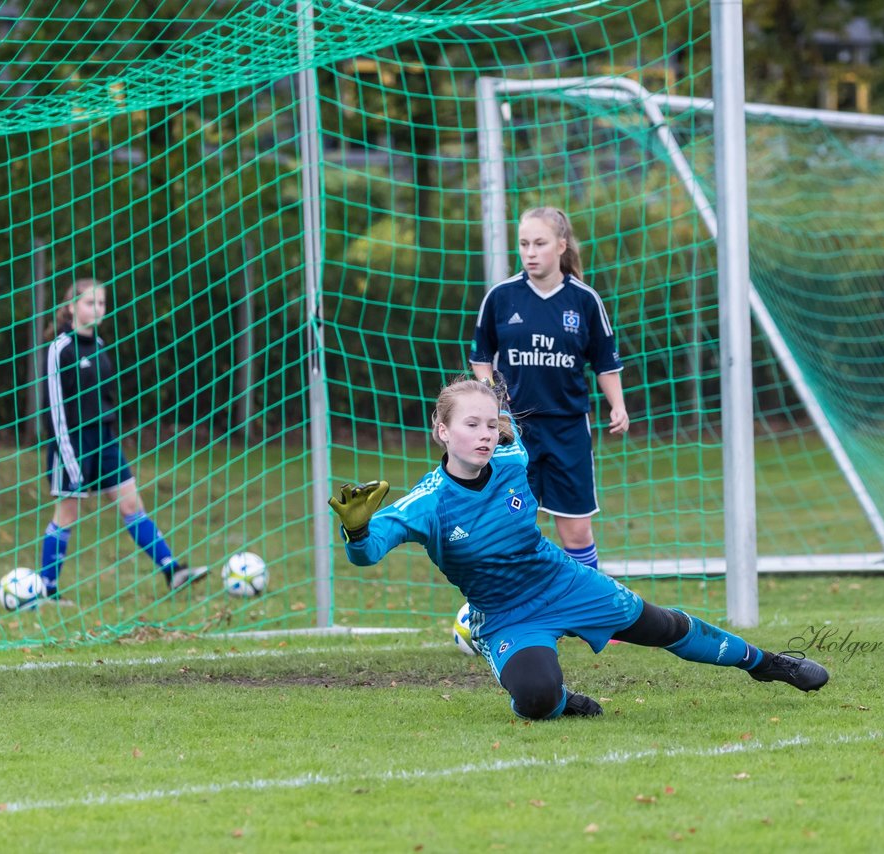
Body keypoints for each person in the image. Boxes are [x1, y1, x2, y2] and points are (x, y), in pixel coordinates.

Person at [329, 375, 827, 721]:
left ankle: (766, 664)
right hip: (505, 616)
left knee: (662, 626)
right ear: (442, 431)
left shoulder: (514, 460)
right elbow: (368, 554)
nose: (484, 435)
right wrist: (356, 531)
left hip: (562, 582)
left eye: (490, 424)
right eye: (470, 425)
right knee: (537, 699)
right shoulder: (426, 504)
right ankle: (564, 702)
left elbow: (536, 442)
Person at [468, 206, 626, 573]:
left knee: (576, 531)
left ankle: (590, 613)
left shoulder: (584, 300)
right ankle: (515, 613)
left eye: (539, 243)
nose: (530, 252)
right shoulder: (500, 297)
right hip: (513, 432)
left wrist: (617, 405)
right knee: (508, 529)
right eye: (524, 244)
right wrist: (493, 400)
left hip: (568, 429)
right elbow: (481, 356)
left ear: (561, 245)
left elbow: (605, 362)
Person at [38, 277, 207, 603]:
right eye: (90, 303)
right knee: (67, 514)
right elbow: (54, 409)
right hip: (72, 443)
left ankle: (173, 571)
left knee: (132, 504)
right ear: (71, 307)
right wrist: (68, 456)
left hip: (105, 439)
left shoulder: (99, 345)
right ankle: (47, 590)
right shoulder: (60, 348)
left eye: (101, 303)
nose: (97, 308)